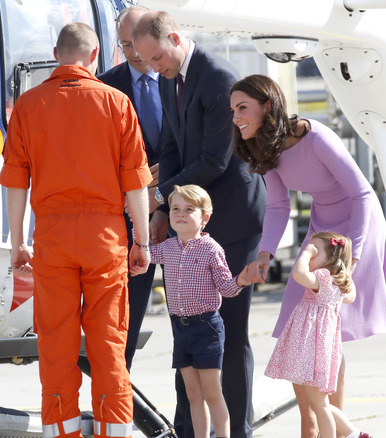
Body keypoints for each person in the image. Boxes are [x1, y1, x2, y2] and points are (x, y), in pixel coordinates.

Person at [232, 74, 386, 438]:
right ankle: (317, 425)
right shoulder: (266, 147)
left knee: (326, 327)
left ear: (267, 107)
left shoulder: (316, 137)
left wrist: (354, 257)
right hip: (323, 226)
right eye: (233, 109)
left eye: (242, 108)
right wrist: (265, 251)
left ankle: (328, 424)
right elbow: (280, 205)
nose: (235, 117)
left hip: (356, 226)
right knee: (298, 323)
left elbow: (362, 195)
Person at [0, 22, 152, 438]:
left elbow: (15, 183)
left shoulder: (28, 106)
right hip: (106, 237)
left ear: (56, 53)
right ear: (96, 54)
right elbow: (135, 182)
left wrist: (18, 243)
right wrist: (142, 240)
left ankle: (62, 433)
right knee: (108, 346)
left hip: (52, 237)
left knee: (56, 346)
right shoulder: (117, 103)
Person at [132, 11, 267, 438]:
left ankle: (237, 431)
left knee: (229, 332)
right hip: (189, 217)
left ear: (173, 37)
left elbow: (214, 159)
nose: (153, 68)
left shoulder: (217, 77)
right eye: (148, 62)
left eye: (156, 58)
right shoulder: (173, 76)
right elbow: (170, 146)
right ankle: (191, 430)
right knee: (189, 330)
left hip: (230, 217)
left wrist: (156, 196)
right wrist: (160, 211)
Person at [149, 184, 257, 438]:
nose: (180, 214)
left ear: (204, 218)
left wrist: (241, 280)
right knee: (193, 394)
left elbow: (227, 289)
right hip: (181, 328)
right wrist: (137, 227)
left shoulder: (211, 249)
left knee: (212, 393)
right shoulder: (167, 248)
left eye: (189, 209)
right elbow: (142, 255)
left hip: (206, 328)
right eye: (175, 209)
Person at [98, 5, 162, 371]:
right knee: (126, 314)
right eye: (125, 45)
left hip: (183, 209)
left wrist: (164, 181)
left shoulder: (178, 79)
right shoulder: (105, 86)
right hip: (129, 216)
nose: (135, 54)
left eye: (139, 43)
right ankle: (119, 392)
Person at [263, 232, 372, 438]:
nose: (311, 254)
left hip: (311, 348)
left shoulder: (322, 277)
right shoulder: (339, 283)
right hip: (320, 348)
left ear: (330, 259)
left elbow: (299, 274)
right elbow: (351, 297)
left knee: (319, 404)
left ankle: (345, 435)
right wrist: (344, 269)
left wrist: (305, 253)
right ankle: (354, 434)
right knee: (319, 402)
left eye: (316, 251)